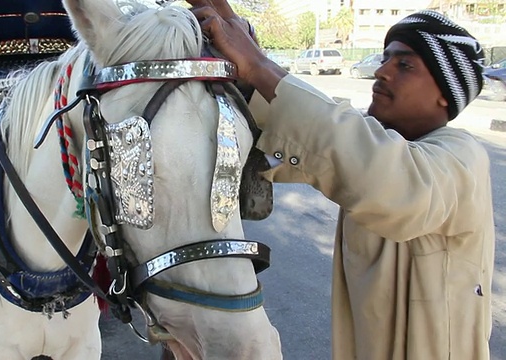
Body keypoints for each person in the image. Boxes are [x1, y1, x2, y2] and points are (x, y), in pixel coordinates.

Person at [186, 2, 495, 359]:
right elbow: (313, 134)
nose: (382, 71)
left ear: (446, 93)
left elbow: (367, 162)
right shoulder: (379, 145)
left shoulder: (461, 156)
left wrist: (258, 66)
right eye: (385, 59)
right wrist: (231, 32)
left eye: (405, 64)